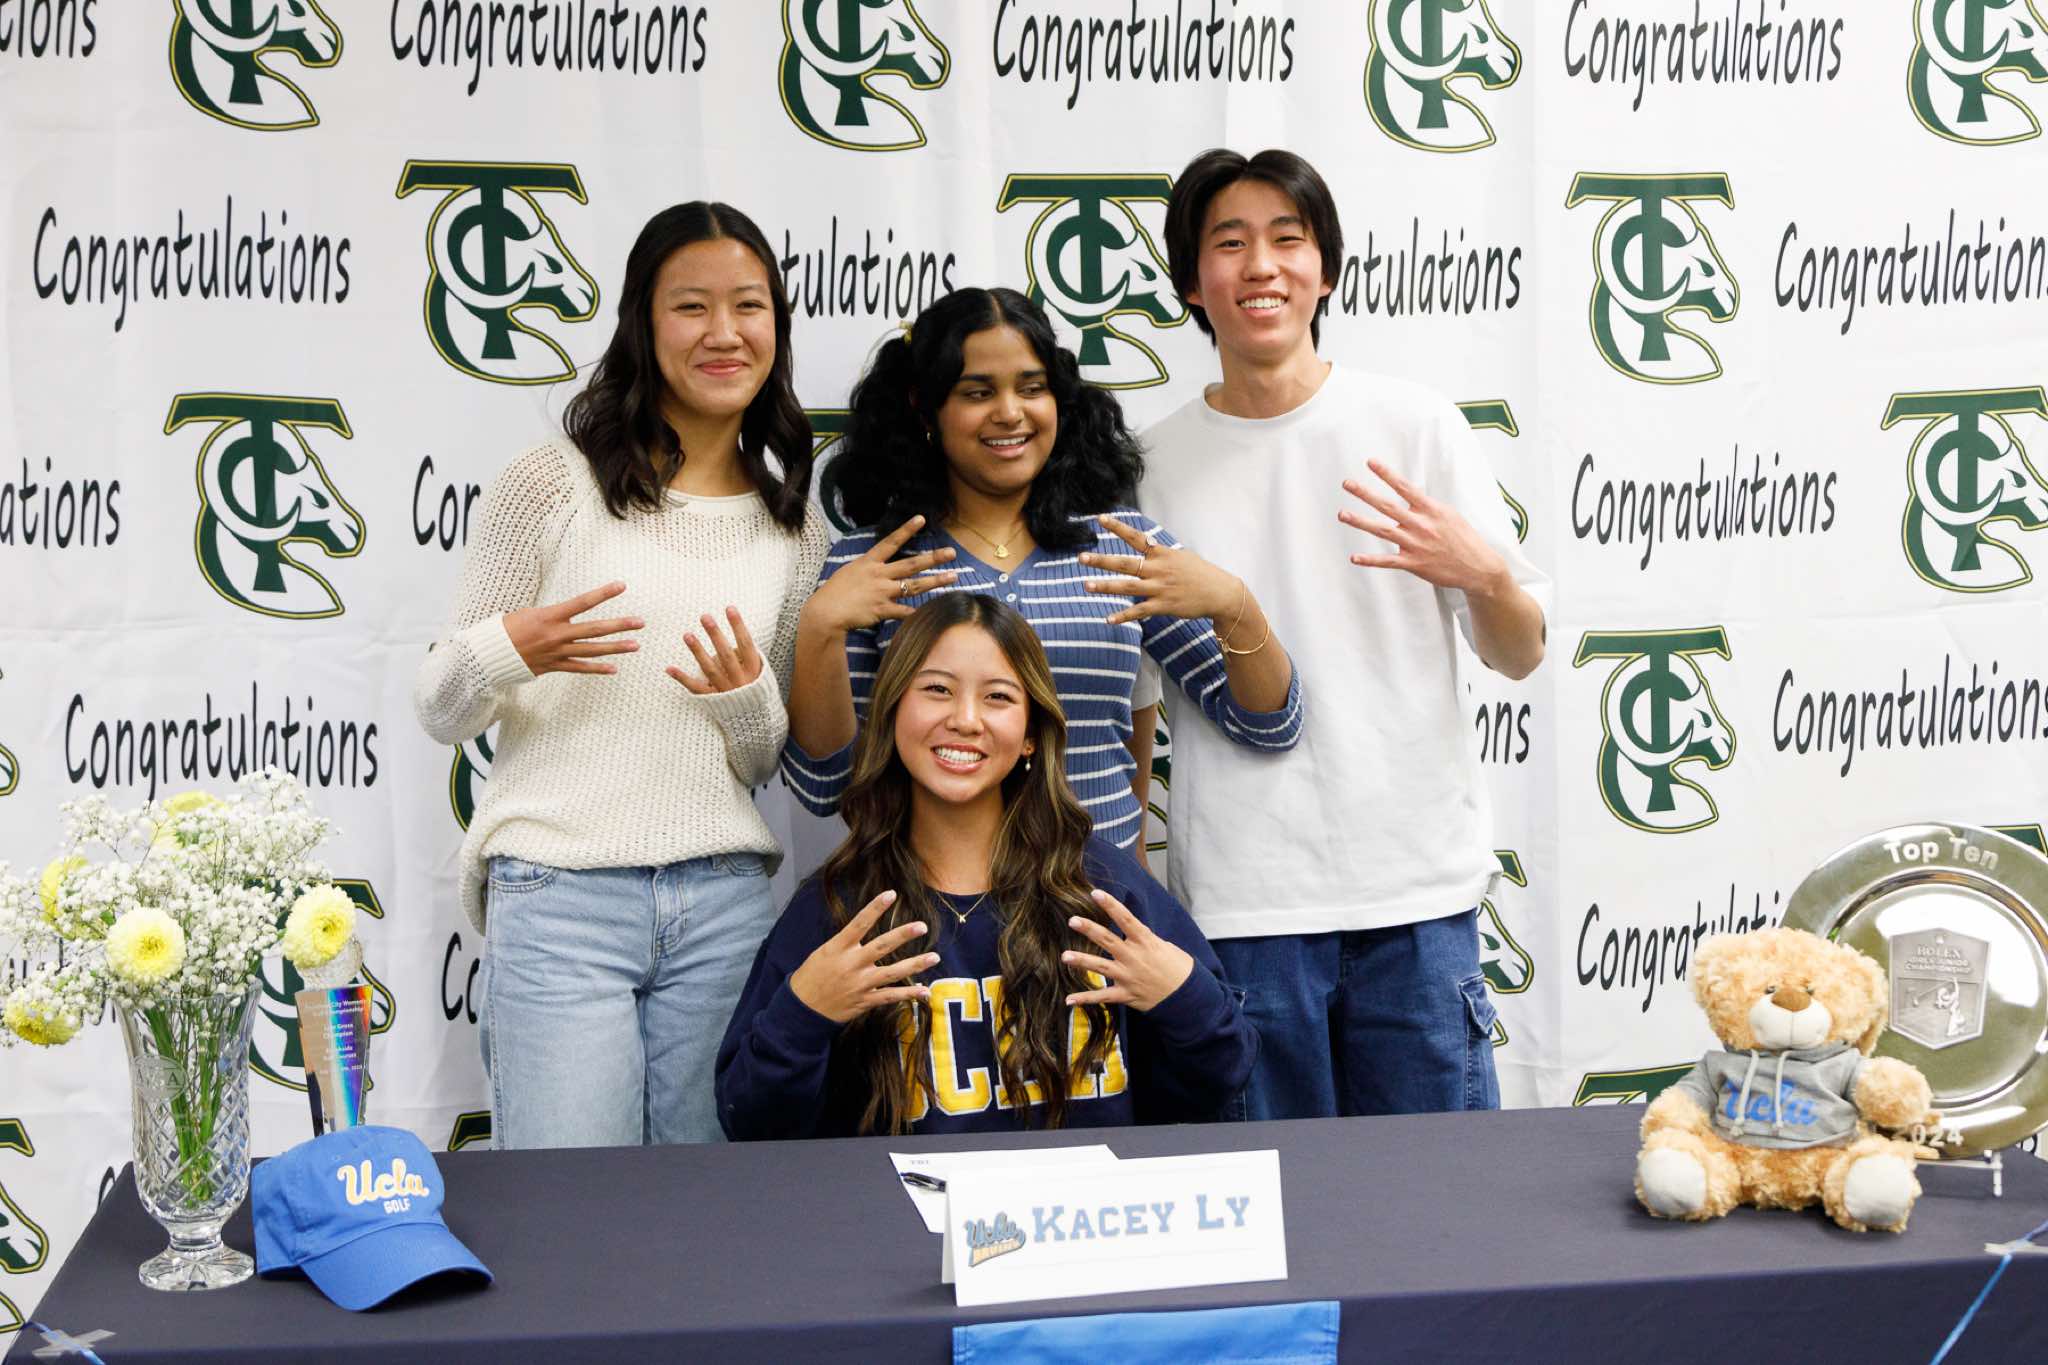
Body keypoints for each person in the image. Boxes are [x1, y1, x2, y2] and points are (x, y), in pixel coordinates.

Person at [1140, 148, 1550, 1120]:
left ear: (1324, 269)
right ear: (1191, 284)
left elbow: (1518, 650)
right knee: (1275, 1198)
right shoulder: (1149, 465)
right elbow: (1133, 707)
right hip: (1243, 902)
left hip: (1413, 897)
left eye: (1287, 239)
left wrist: (1486, 574)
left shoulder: (1414, 426)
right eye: (1228, 244)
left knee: (1438, 1196)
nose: (1261, 266)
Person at [413, 202, 831, 1149]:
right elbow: (440, 704)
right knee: (569, 1208)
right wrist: (510, 647)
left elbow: (761, 760)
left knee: (708, 1208)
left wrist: (745, 702)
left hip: (724, 901)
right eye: (691, 306)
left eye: (749, 305)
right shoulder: (552, 484)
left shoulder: (793, 527)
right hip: (560, 897)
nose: (724, 332)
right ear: (643, 322)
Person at [780, 286, 1302, 860]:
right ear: (924, 409)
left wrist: (1234, 604)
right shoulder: (872, 564)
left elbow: (1269, 726)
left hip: (1099, 903)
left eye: (1032, 388)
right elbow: (825, 789)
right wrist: (820, 627)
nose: (1010, 412)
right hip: (931, 906)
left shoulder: (1122, 545)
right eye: (978, 392)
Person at [716, 593, 1254, 1138]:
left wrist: (1183, 998)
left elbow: (1220, 1080)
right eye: (937, 689)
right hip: (899, 1197)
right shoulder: (839, 907)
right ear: (893, 710)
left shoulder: (1104, 888)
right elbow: (751, 1125)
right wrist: (804, 1014)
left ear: (1030, 735)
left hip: (1083, 1194)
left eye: (997, 697)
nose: (965, 720)